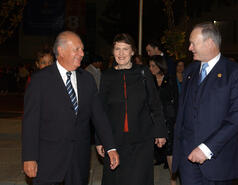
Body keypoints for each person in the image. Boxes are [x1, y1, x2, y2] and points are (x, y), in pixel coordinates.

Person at [22, 31, 119, 185]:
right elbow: (30, 122)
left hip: (78, 159)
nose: (81, 53)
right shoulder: (40, 81)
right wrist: (29, 157)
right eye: (76, 49)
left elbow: (99, 116)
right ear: (60, 51)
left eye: (82, 50)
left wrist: (110, 147)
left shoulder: (87, 80)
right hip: (48, 158)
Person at [172, 22, 238, 185]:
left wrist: (206, 149)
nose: (190, 48)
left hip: (218, 161)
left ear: (209, 43)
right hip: (187, 160)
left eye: (193, 43)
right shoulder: (189, 71)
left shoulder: (235, 73)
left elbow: (236, 118)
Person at [97, 33, 167, 185]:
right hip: (115, 141)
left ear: (132, 51)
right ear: (113, 51)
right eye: (117, 49)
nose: (121, 53)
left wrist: (160, 131)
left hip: (142, 141)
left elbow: (155, 104)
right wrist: (99, 140)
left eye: (125, 49)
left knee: (138, 180)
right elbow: (100, 111)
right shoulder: (107, 76)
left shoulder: (144, 73)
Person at [149, 55, 178, 185]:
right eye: (150, 66)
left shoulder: (170, 79)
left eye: (153, 66)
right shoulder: (148, 80)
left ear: (160, 66)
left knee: (170, 149)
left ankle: (173, 179)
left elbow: (177, 100)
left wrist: (176, 118)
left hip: (169, 118)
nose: (151, 68)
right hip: (152, 119)